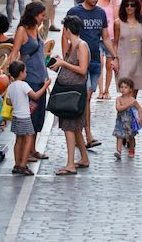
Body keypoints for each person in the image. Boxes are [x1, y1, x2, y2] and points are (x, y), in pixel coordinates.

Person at [64, 0, 119, 149]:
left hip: (95, 61)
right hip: (80, 61)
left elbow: (106, 38)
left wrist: (115, 56)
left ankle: (80, 134)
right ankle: (86, 134)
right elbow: (64, 34)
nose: (96, 0)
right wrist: (66, 57)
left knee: (86, 98)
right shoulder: (74, 12)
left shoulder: (100, 13)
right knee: (86, 97)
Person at [49, 16, 91, 175]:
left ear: (67, 30)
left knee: (69, 127)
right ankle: (84, 158)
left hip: (74, 93)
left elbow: (82, 69)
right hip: (67, 91)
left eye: (64, 30)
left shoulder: (81, 46)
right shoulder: (71, 46)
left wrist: (63, 64)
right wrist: (59, 62)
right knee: (75, 128)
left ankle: (70, 164)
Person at [9, 2, 51, 161]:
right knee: (29, 117)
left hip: (41, 78)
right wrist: (12, 76)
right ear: (34, 15)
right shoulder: (23, 30)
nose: (43, 17)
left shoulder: (36, 30)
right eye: (41, 15)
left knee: (39, 116)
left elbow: (40, 53)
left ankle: (32, 149)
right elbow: (14, 53)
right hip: (30, 80)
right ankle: (24, 154)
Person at [5, 61, 51, 176]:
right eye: (25, 71)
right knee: (28, 139)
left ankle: (16, 164)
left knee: (18, 140)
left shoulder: (10, 86)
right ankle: (23, 165)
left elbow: (8, 102)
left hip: (15, 116)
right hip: (24, 117)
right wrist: (45, 86)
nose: (26, 73)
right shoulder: (24, 85)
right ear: (21, 73)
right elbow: (35, 96)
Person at [96, 0, 121, 100]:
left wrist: (113, 3)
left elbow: (116, 19)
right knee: (100, 63)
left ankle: (107, 90)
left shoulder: (115, 2)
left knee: (109, 65)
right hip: (98, 37)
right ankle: (100, 90)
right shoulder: (97, 3)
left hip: (111, 38)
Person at [113, 78, 142, 160]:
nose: (123, 89)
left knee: (131, 136)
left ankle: (131, 149)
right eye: (121, 87)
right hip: (120, 121)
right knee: (119, 136)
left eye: (126, 87)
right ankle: (118, 151)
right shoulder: (118, 99)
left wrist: (140, 117)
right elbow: (118, 108)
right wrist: (127, 105)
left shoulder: (133, 100)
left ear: (130, 89)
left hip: (130, 122)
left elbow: (139, 108)